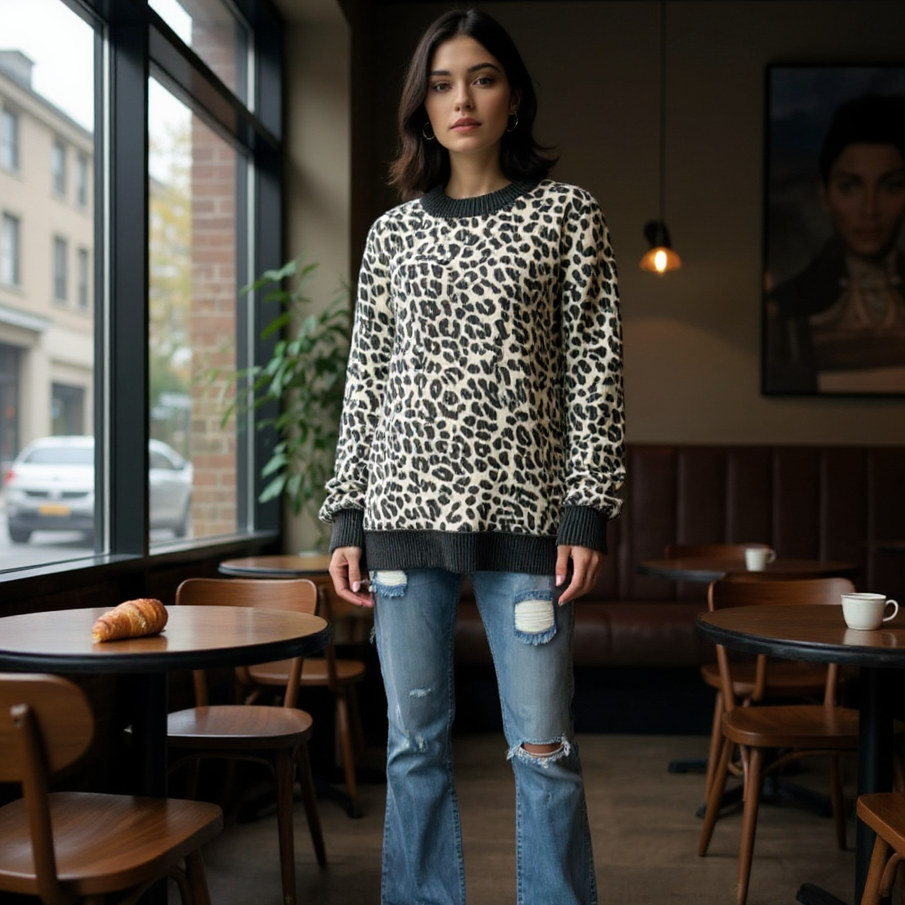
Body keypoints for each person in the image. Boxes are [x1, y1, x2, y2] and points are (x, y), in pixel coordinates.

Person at [319, 8, 624, 904]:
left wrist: (585, 513)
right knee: (413, 747)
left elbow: (595, 374)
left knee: (543, 745)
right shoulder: (391, 235)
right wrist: (346, 516)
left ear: (514, 97)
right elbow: (366, 385)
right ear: (423, 104)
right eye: (444, 82)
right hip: (399, 520)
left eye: (482, 78)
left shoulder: (568, 215)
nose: (463, 98)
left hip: (530, 525)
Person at [765, 93, 905, 394]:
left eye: (891, 186)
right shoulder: (787, 310)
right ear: (825, 195)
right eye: (849, 186)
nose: (870, 210)